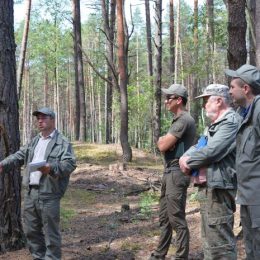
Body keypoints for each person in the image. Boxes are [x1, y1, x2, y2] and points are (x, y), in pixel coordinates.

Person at [0, 107, 76, 260]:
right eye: (38, 118)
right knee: (31, 231)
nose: (40, 121)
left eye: (44, 118)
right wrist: (3, 164)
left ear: (52, 120)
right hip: (30, 193)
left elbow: (69, 164)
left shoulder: (62, 142)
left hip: (49, 193)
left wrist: (51, 168)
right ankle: (38, 257)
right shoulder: (35, 140)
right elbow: (20, 155)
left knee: (50, 233)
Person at [179, 84, 240, 259]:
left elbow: (211, 152)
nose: (204, 105)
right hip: (209, 187)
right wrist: (185, 157)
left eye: (206, 101)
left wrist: (188, 162)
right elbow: (199, 146)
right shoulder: (214, 125)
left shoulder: (231, 122)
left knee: (220, 245)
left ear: (219, 101)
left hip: (220, 189)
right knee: (210, 242)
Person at [150, 84, 196, 260]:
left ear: (179, 100)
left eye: (169, 97)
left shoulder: (184, 120)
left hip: (177, 173)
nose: (166, 101)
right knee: (165, 218)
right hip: (170, 171)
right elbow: (164, 144)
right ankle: (159, 254)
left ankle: (181, 256)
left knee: (176, 218)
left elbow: (162, 145)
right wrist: (164, 141)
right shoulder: (178, 120)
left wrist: (163, 141)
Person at [225, 64, 260, 259]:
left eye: (232, 87)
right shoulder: (243, 115)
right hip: (248, 196)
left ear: (245, 89)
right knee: (251, 246)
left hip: (258, 196)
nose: (229, 91)